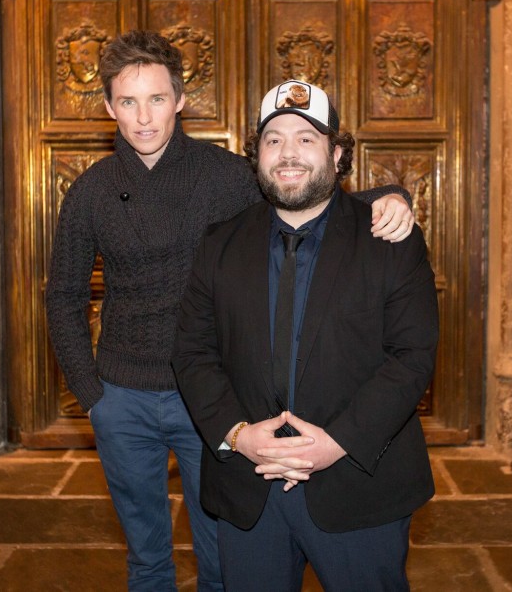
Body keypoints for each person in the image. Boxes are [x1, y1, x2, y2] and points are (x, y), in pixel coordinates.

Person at [45, 32, 416, 591]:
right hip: (123, 396)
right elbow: (64, 295)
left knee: (223, 556)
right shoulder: (90, 191)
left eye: (156, 99)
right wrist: (93, 396)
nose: (143, 117)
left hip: (208, 397)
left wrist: (390, 197)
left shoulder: (225, 174)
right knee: (145, 557)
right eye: (128, 101)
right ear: (109, 107)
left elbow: (305, 197)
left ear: (179, 100)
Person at [172, 79, 439, 591]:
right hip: (249, 489)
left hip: (359, 486)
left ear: (336, 154)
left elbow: (411, 357)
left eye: (306, 138)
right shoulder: (220, 244)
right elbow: (192, 352)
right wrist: (238, 436)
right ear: (258, 156)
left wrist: (337, 443)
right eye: (273, 140)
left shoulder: (390, 241)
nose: (288, 153)